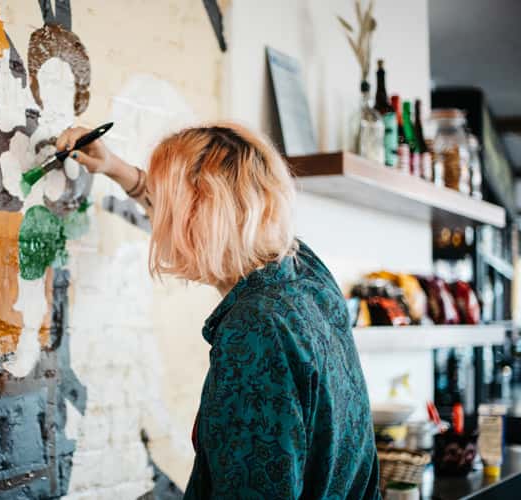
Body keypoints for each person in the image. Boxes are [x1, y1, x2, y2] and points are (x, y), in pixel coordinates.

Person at [56, 124, 381, 499]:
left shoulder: (256, 329)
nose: (160, 224)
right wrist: (118, 169)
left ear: (200, 215)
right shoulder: (305, 271)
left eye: (170, 207)